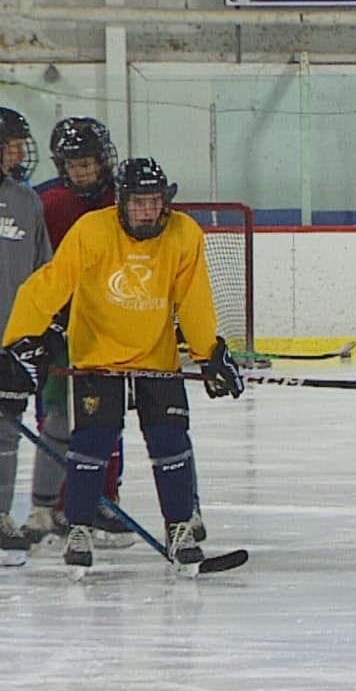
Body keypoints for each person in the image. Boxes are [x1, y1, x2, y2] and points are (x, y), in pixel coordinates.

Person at [0, 157, 243, 577]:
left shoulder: (184, 234)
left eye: (155, 202)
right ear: (122, 204)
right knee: (92, 444)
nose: (148, 211)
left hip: (156, 356)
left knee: (171, 441)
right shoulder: (93, 231)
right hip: (97, 355)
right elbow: (47, 286)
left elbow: (195, 300)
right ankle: (78, 528)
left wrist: (209, 354)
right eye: (139, 203)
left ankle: (180, 527)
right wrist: (15, 344)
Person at [22, 117, 134, 550]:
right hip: (55, 331)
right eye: (74, 164)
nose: (82, 171)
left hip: (111, 327)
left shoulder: (123, 200)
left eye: (88, 162)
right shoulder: (46, 202)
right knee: (55, 417)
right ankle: (52, 503)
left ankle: (103, 498)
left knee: (105, 419)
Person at [0, 108, 51, 565]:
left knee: (5, 435)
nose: (19, 151)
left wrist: (35, 333)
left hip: (11, 343)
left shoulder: (27, 202)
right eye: (11, 142)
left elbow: (42, 274)